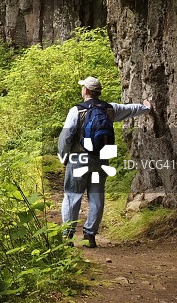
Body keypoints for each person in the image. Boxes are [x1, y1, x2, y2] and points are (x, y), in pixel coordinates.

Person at [57, 76, 151, 248]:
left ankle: (67, 236)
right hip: (101, 160)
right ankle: (90, 236)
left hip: (79, 159)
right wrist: (145, 108)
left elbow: (66, 137)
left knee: (72, 196)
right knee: (96, 196)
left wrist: (63, 157)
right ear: (98, 92)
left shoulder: (76, 111)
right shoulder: (109, 109)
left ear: (85, 91)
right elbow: (130, 109)